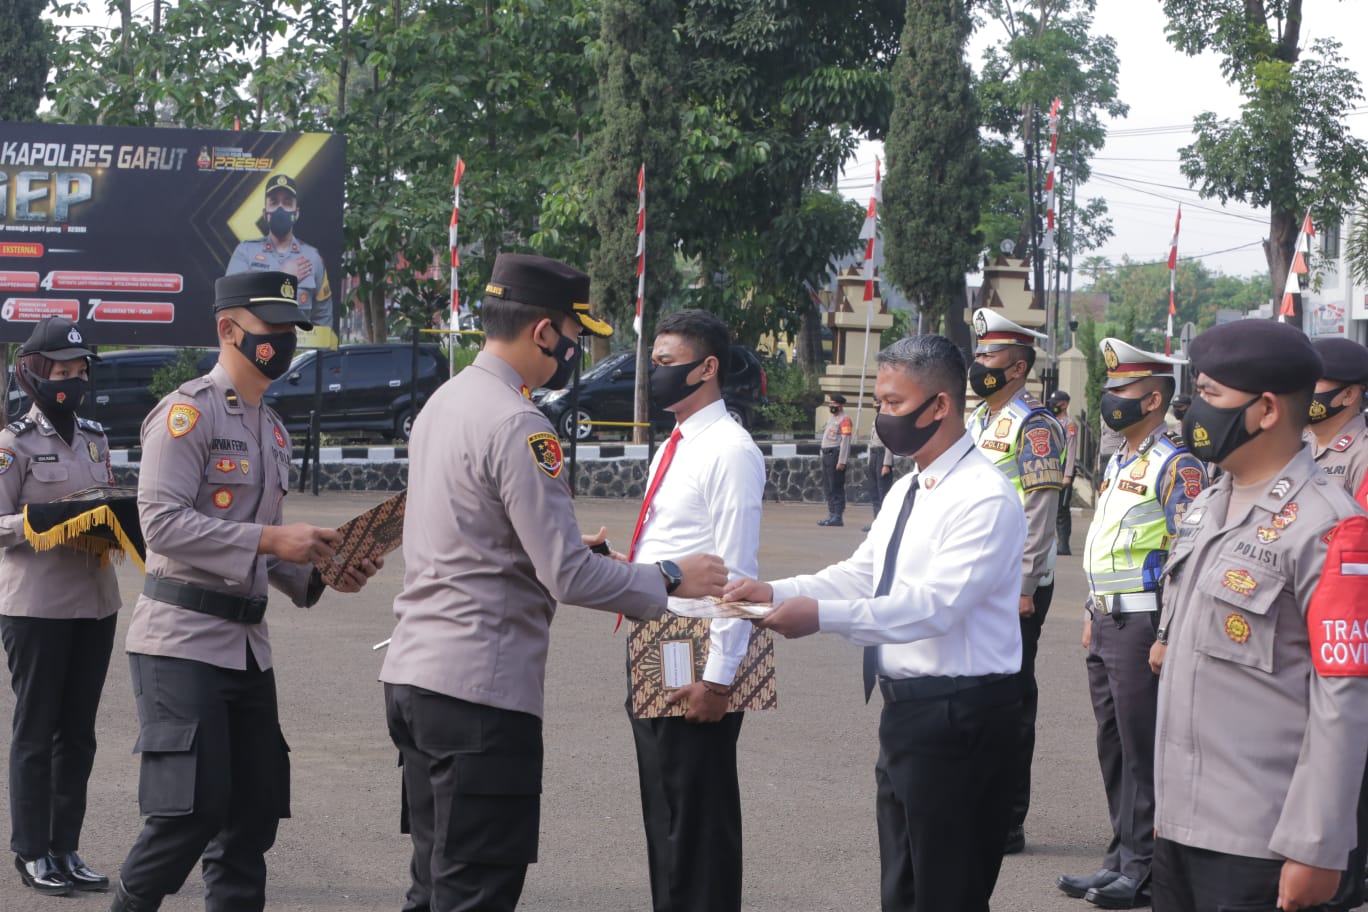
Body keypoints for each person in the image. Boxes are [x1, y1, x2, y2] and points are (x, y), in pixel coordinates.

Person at [379, 253, 727, 912]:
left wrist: (571, 550)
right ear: (544, 332)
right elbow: (566, 574)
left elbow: (471, 534)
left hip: (416, 680)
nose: (575, 351)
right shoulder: (520, 423)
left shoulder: (443, 403)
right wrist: (671, 576)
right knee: (475, 891)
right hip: (479, 694)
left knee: (433, 887)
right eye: (575, 335)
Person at [109, 271, 383, 912]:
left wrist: (325, 568)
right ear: (228, 328)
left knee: (251, 815)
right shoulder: (186, 414)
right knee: (190, 811)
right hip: (181, 641)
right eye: (273, 329)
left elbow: (278, 558)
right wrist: (270, 540)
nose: (285, 341)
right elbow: (163, 525)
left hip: (247, 647)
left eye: (292, 330)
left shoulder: (275, 431)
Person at [726, 334, 1026, 912]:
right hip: (910, 713)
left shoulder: (984, 498)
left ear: (939, 405)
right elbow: (865, 574)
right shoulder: (911, 486)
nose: (881, 417)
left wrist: (818, 618)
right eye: (879, 404)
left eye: (893, 404)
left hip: (961, 717)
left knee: (948, 894)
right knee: (904, 891)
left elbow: (932, 607)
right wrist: (775, 592)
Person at [1150, 319, 1368, 912]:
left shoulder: (1330, 525)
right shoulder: (1209, 502)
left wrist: (1317, 846)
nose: (1194, 410)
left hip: (1260, 842)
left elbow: (1343, 697)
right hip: (1179, 829)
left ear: (1266, 410)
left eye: (1211, 396)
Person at [1057, 339, 1206, 910]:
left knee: (1144, 749)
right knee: (1113, 744)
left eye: (1121, 391)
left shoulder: (1177, 464)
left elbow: (1184, 555)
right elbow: (1107, 542)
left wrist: (1168, 633)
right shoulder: (1121, 457)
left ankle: (1145, 870)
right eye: (1110, 388)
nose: (1110, 398)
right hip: (1108, 618)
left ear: (1152, 400)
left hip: (1145, 622)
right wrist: (1093, 609)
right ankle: (1119, 856)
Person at [627, 309, 765, 912]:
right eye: (652, 361)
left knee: (697, 814)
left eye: (666, 362)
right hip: (658, 637)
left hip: (697, 646)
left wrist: (718, 676)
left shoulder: (729, 451)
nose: (654, 373)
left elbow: (735, 573)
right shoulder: (675, 443)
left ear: (706, 367)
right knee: (665, 808)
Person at [0, 318, 118, 897]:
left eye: (79, 371)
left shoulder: (96, 437)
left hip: (95, 604)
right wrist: (44, 523)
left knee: (79, 734)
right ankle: (31, 851)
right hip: (37, 607)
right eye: (61, 372)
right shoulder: (11, 441)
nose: (72, 380)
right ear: (35, 374)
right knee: (36, 730)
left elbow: (107, 502)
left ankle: (65, 846)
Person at [966, 307, 1065, 854]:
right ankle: (977, 802)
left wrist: (1026, 584)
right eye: (977, 353)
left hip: (1015, 586)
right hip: (976, 579)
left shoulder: (1036, 425)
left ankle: (1007, 817)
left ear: (1019, 368)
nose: (978, 364)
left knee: (1009, 698)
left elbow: (1039, 509)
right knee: (975, 691)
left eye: (989, 357)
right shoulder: (979, 419)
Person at [1305, 337, 1368, 912]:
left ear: (1348, 394)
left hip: (1345, 626)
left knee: (1346, 755)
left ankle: (1346, 884)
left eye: (1319, 385)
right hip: (1298, 619)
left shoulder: (1363, 455)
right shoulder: (1300, 446)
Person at [227, 174, 333, 331]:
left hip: (297, 350)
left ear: (296, 213)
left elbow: (323, 318)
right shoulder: (245, 252)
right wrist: (281, 277)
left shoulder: (312, 258)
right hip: (255, 346)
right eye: (274, 202)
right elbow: (229, 302)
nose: (280, 208)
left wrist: (310, 353)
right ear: (265, 214)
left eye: (287, 202)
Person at [1306, 337, 1368, 495]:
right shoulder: (1298, 443)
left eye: (1313, 381)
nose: (1300, 391)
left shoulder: (1362, 455)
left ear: (1348, 395)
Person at [1049, 389, 1079, 554]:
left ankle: (1063, 545)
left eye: (1057, 403)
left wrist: (1067, 474)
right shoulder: (1049, 420)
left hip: (1063, 469)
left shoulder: (1069, 424)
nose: (1053, 406)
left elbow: (1072, 450)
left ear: (1065, 404)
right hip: (1050, 468)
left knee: (1062, 509)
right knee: (1048, 507)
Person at [818, 393, 852, 526]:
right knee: (828, 487)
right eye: (830, 404)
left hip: (835, 456)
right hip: (827, 455)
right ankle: (831, 514)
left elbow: (845, 441)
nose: (831, 406)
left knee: (836, 486)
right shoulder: (831, 419)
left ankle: (838, 516)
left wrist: (842, 460)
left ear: (840, 405)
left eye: (834, 404)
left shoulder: (845, 419)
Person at [864, 414, 895, 532]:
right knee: (874, 492)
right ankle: (876, 521)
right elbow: (871, 442)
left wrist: (887, 464)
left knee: (883, 493)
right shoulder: (876, 419)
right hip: (873, 455)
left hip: (882, 456)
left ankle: (885, 524)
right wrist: (869, 461)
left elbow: (889, 443)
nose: (876, 404)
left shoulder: (889, 420)